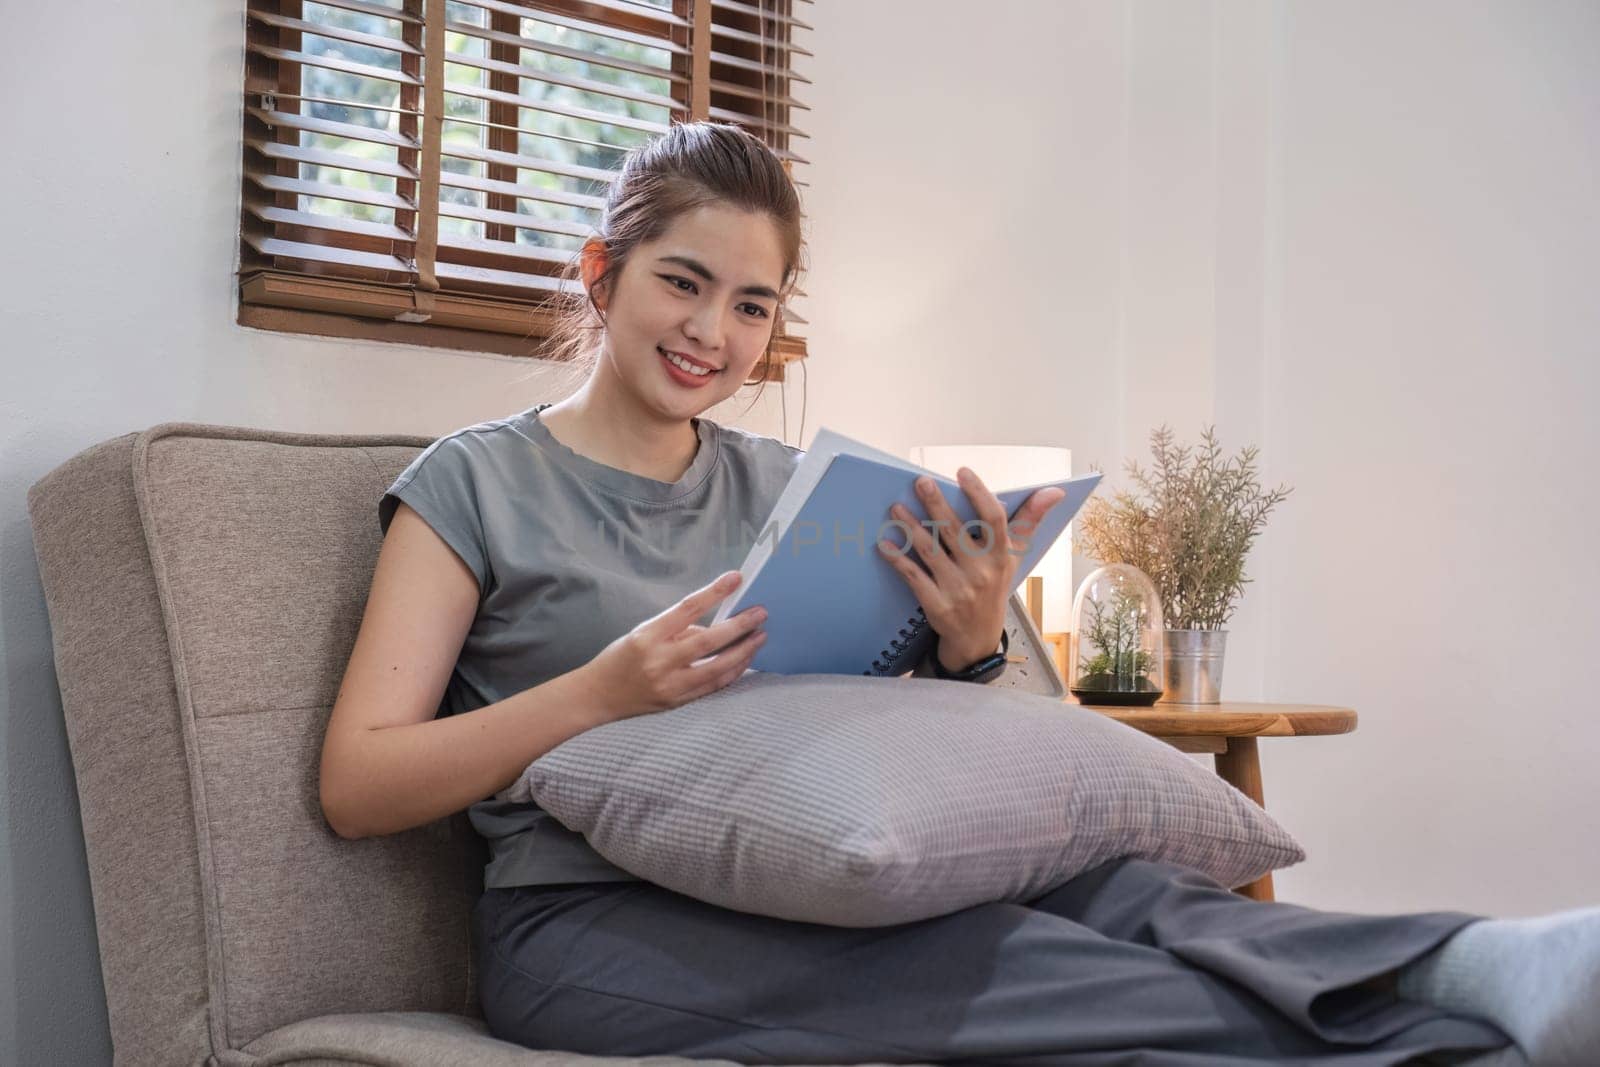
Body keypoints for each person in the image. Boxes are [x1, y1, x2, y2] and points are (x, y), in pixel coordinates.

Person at [319, 121, 1597, 1066]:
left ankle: (1472, 960)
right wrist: (600, 693)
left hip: (818, 868)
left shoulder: (791, 486)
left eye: (752, 304)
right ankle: (1443, 1043)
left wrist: (972, 645)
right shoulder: (475, 483)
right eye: (682, 281)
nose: (713, 328)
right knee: (1019, 959)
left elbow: (887, 749)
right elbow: (360, 780)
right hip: (592, 929)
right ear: (604, 271)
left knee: (1132, 896)